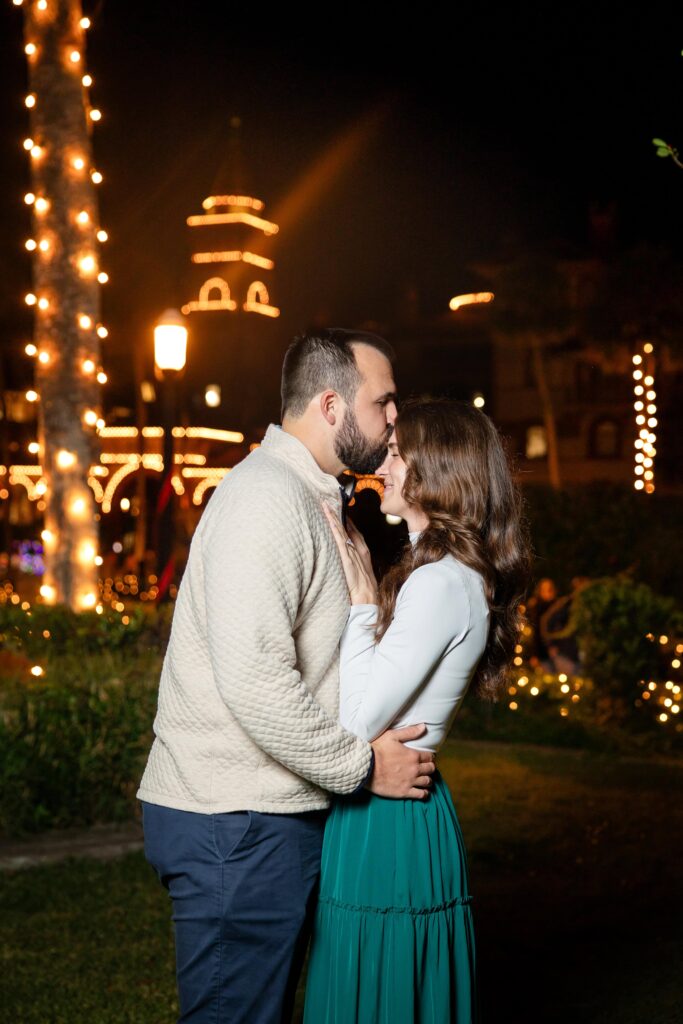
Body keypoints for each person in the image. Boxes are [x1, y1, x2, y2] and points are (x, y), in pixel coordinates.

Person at [137, 329, 436, 1024]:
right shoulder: (266, 497)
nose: (395, 418)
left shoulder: (313, 498)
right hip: (234, 821)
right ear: (331, 406)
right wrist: (363, 767)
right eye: (383, 401)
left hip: (263, 816)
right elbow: (254, 678)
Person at [304, 398, 531, 1024]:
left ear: (438, 472)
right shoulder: (443, 573)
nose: (386, 461)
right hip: (396, 808)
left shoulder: (440, 583)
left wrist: (356, 603)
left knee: (376, 991)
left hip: (389, 817)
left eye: (399, 452)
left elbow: (354, 723)